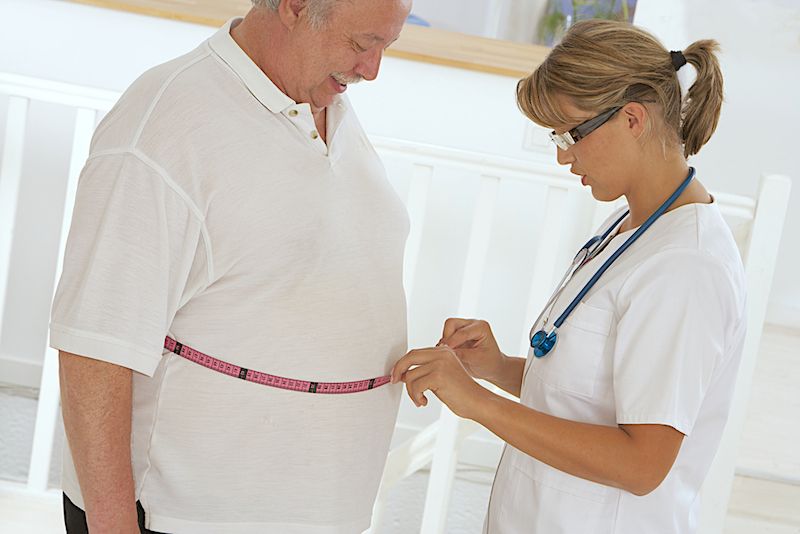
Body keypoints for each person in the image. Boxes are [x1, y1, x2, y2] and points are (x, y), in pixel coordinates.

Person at [50, 0, 412, 532]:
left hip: (309, 512)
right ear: (294, 7)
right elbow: (94, 348)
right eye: (361, 44)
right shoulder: (165, 124)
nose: (372, 70)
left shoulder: (319, 103)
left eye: (386, 46)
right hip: (181, 516)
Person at [392, 19, 746, 534]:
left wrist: (478, 404)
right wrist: (497, 367)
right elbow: (592, 394)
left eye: (570, 133)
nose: (562, 154)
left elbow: (641, 464)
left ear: (632, 119)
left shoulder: (686, 267)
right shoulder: (633, 225)